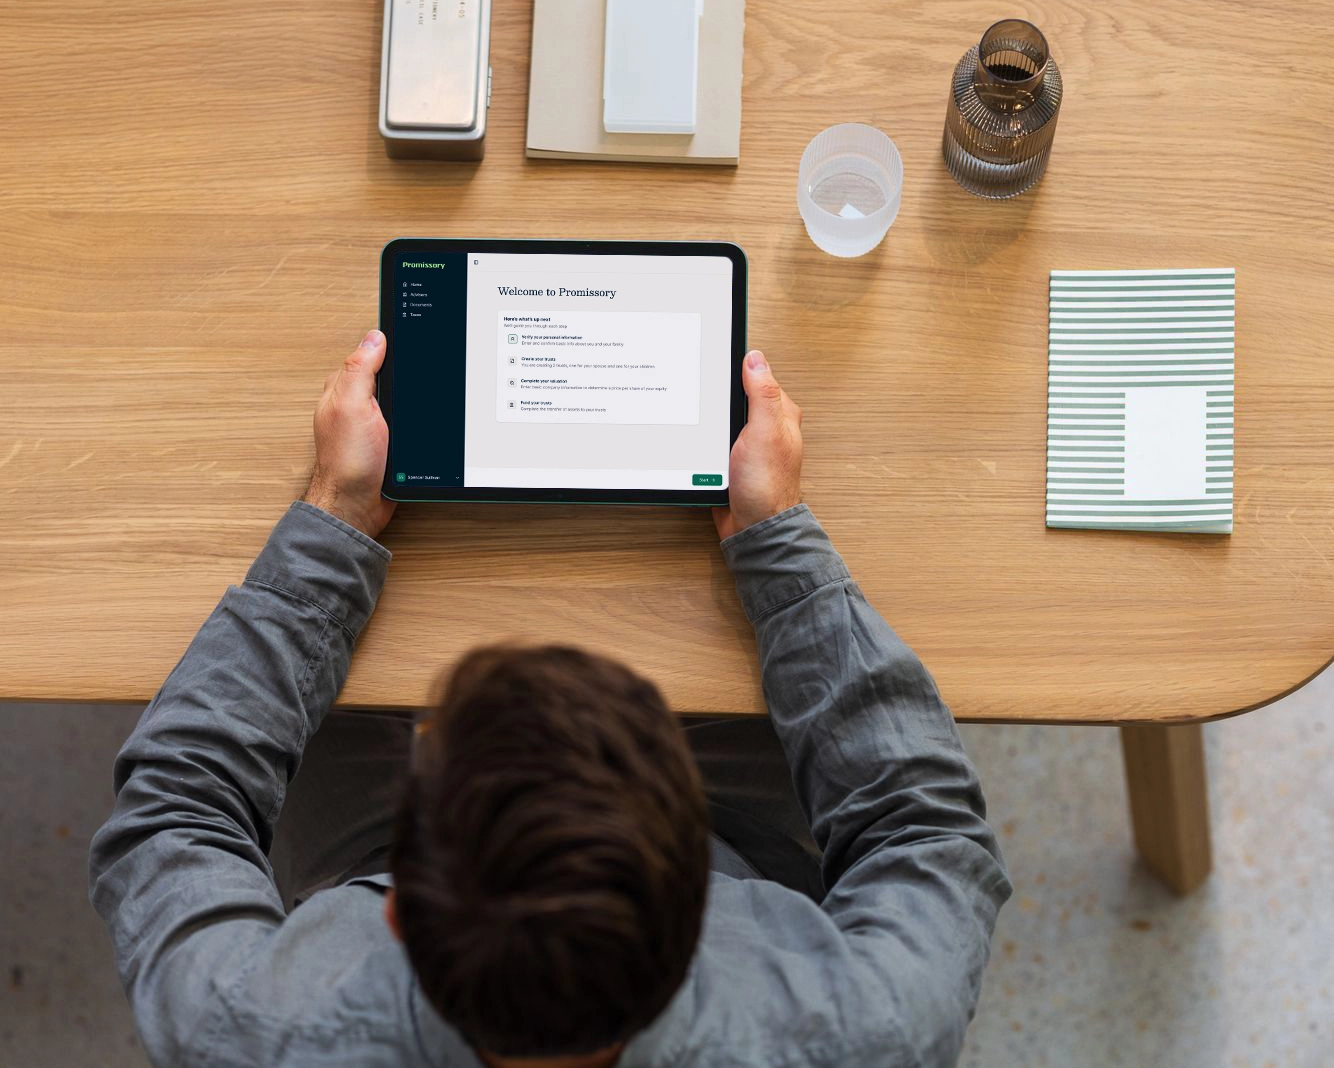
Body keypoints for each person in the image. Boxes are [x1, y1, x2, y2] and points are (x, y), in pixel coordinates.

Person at [90, 329, 1011, 1068]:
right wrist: (776, 541)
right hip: (748, 841)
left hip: (372, 843)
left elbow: (176, 807)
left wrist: (334, 518)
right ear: (693, 910)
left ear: (401, 913)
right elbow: (922, 831)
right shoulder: (870, 1030)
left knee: (340, 700)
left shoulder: (245, 1030)